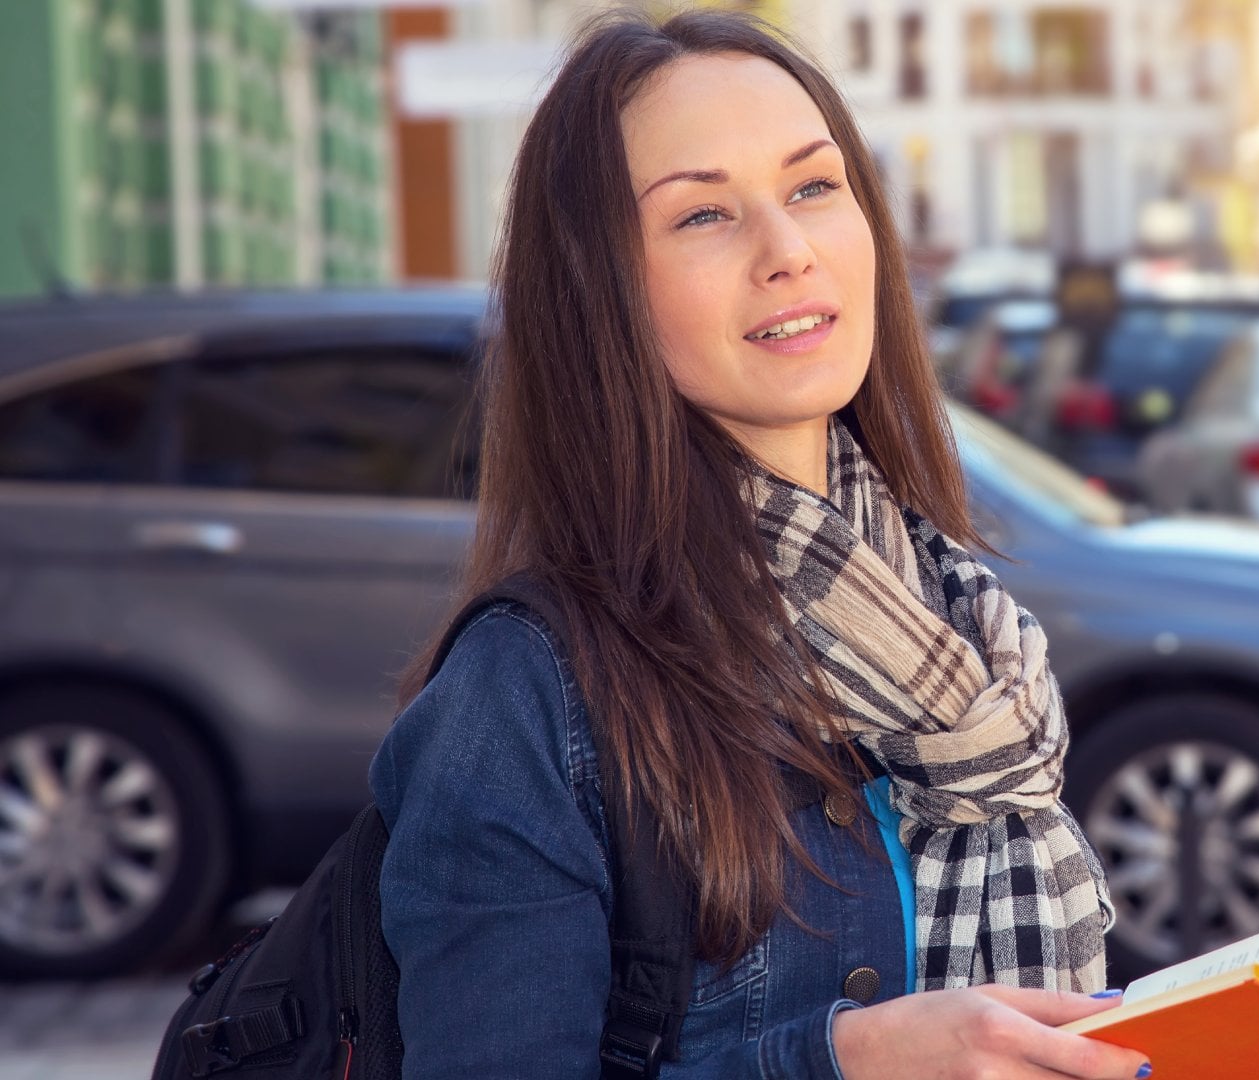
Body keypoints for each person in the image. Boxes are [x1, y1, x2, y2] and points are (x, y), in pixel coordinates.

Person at [370, 10, 1150, 1080]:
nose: (787, 253)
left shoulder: (959, 620)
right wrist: (844, 1063)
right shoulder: (524, 695)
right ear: (601, 294)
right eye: (703, 216)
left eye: (813, 187)